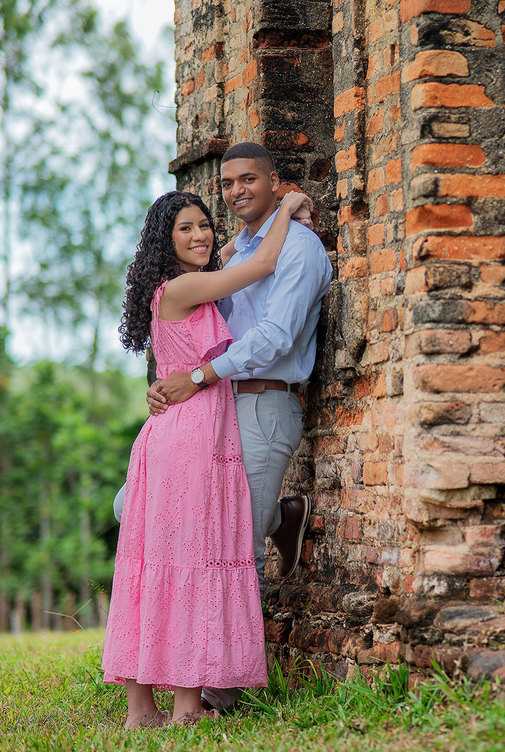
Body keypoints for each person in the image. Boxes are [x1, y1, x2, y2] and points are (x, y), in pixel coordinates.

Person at [102, 189, 311, 728]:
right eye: (185, 229)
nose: (200, 236)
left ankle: (141, 710)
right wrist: (284, 209)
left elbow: (177, 360)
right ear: (164, 241)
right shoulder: (187, 286)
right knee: (193, 559)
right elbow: (264, 262)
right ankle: (189, 708)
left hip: (176, 432)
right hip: (192, 439)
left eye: (204, 226)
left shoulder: (172, 289)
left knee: (156, 565)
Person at [145, 142, 334, 712]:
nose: (237, 192)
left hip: (261, 402)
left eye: (250, 180)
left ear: (274, 181)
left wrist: (198, 376)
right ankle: (284, 516)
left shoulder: (298, 248)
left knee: (235, 545)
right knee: (143, 511)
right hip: (211, 410)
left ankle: (215, 690)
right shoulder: (236, 252)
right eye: (228, 184)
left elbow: (274, 337)